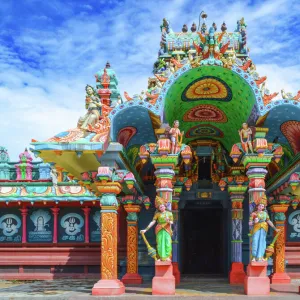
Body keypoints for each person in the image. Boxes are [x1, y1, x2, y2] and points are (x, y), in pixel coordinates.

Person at [140, 196, 173, 261]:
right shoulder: (157, 214)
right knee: (160, 243)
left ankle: (167, 257)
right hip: (159, 229)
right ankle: (161, 257)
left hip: (167, 229)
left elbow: (171, 222)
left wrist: (168, 221)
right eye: (160, 207)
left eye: (163, 206)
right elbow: (153, 222)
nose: (162, 208)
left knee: (168, 243)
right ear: (159, 208)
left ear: (165, 206)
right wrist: (146, 229)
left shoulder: (169, 213)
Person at [249, 196, 279, 261]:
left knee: (262, 241)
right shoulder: (254, 213)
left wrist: (275, 228)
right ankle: (254, 256)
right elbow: (250, 223)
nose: (261, 207)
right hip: (256, 228)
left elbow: (268, 221)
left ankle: (260, 256)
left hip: (264, 228)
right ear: (257, 206)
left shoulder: (265, 214)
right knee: (255, 240)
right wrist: (254, 221)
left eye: (262, 206)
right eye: (260, 206)